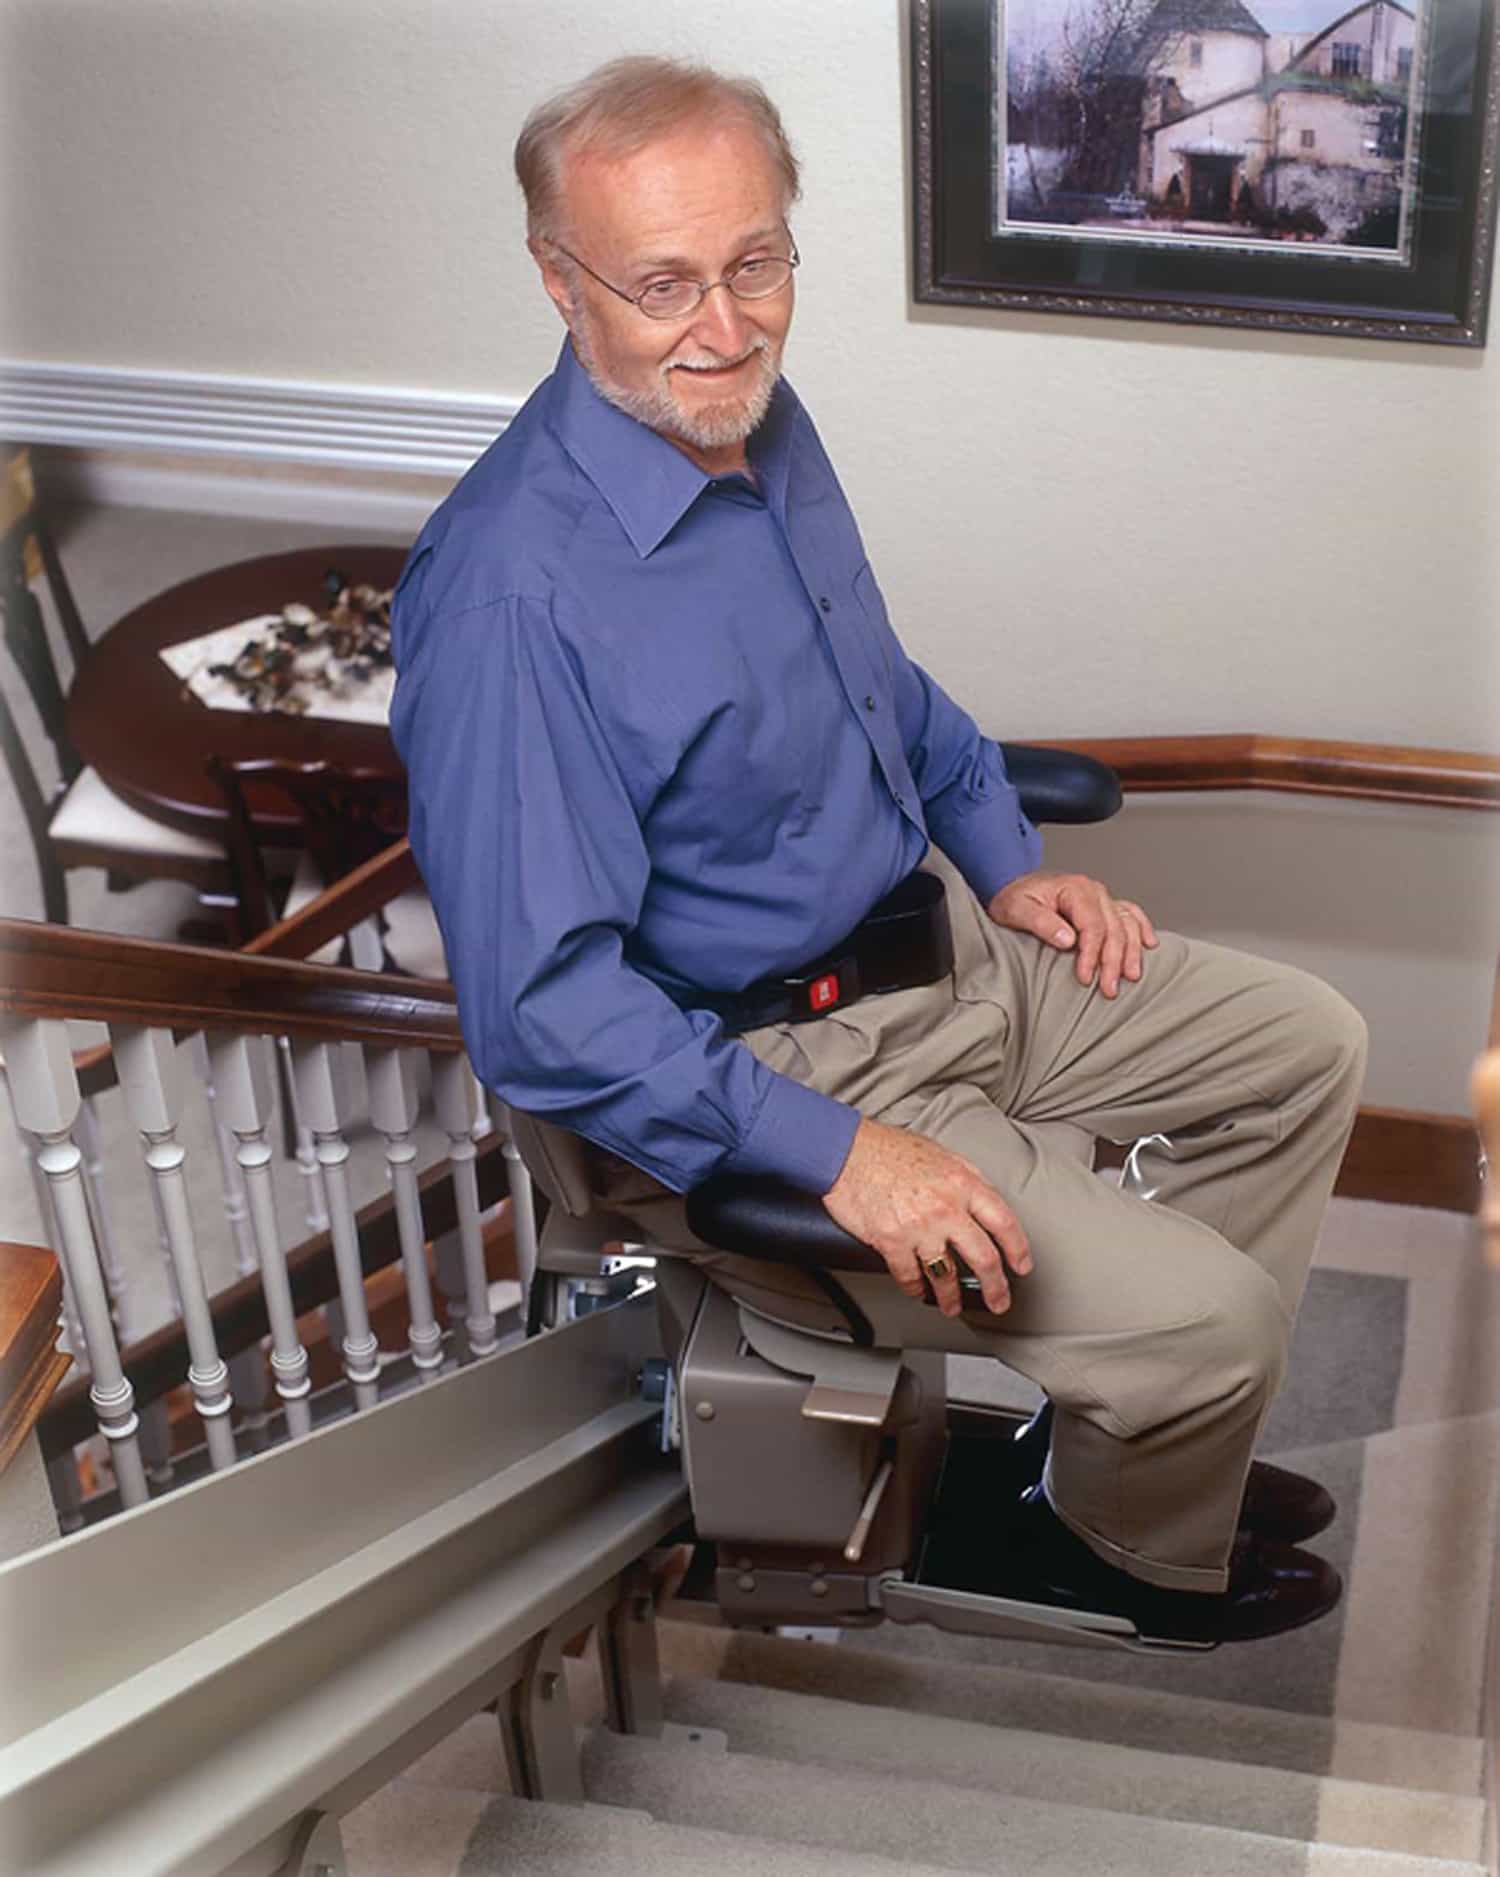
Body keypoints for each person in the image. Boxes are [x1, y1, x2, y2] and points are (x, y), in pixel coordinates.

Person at [390, 55, 1367, 1645]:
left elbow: (880, 689)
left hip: (949, 951)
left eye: (756, 261)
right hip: (791, 1068)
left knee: (1306, 1046)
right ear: (561, 286)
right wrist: (844, 1153)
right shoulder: (511, 602)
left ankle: (1132, 1473)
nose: (727, 325)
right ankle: (1140, 1519)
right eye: (662, 284)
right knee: (1221, 1322)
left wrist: (1002, 852)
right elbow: (547, 1017)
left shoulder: (760, 423)